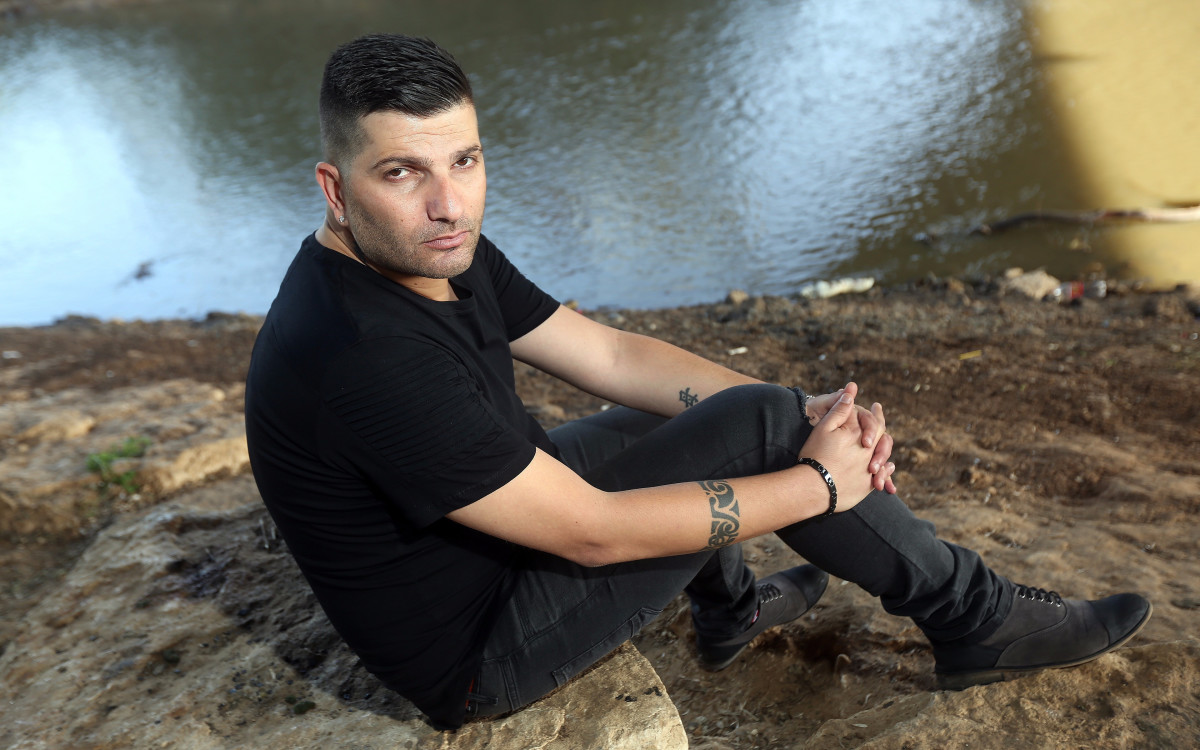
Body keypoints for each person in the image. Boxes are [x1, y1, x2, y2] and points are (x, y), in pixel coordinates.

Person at [244, 33, 1151, 731]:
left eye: (465, 161)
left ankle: (729, 611)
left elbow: (612, 358)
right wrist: (816, 480)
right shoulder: (362, 352)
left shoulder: (431, 247)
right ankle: (977, 622)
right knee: (758, 432)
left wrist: (806, 412)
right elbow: (592, 534)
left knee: (738, 416)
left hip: (500, 535)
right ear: (336, 188)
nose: (449, 202)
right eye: (402, 172)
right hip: (484, 646)